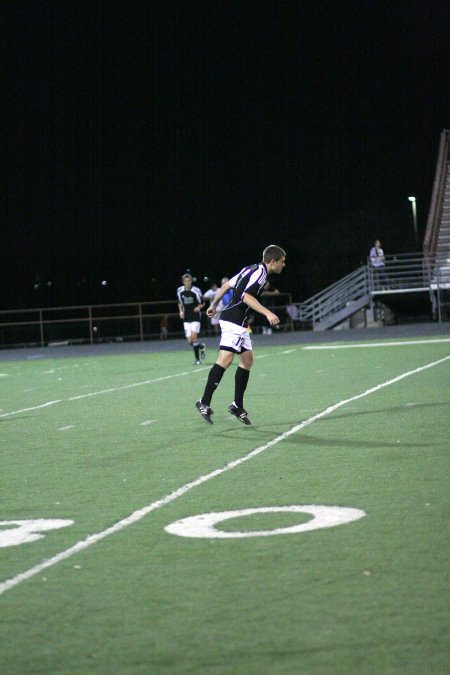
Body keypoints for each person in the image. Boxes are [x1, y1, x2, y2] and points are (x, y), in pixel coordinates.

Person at [195, 244, 286, 425]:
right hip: (233, 321)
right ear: (273, 261)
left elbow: (227, 285)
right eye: (282, 262)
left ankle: (237, 404)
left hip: (238, 322)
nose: (284, 265)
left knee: (247, 360)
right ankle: (203, 402)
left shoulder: (251, 268)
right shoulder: (260, 274)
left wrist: (214, 305)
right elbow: (246, 297)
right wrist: (268, 313)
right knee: (225, 361)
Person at [177, 273, 206, 364]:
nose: (187, 282)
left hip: (195, 316)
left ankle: (197, 360)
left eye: (189, 281)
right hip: (186, 317)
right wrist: (181, 311)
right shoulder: (180, 291)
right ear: (183, 282)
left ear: (191, 281)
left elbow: (203, 303)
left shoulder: (196, 290)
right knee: (190, 341)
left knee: (194, 337)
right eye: (186, 281)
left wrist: (198, 307)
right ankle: (201, 346)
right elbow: (180, 302)